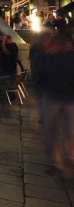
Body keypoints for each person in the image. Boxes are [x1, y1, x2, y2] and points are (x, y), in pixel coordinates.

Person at [34, 32, 74, 177]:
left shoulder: (70, 57)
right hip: (51, 96)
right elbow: (40, 74)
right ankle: (56, 162)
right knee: (52, 131)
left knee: (70, 130)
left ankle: (69, 157)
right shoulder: (46, 56)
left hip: (69, 98)